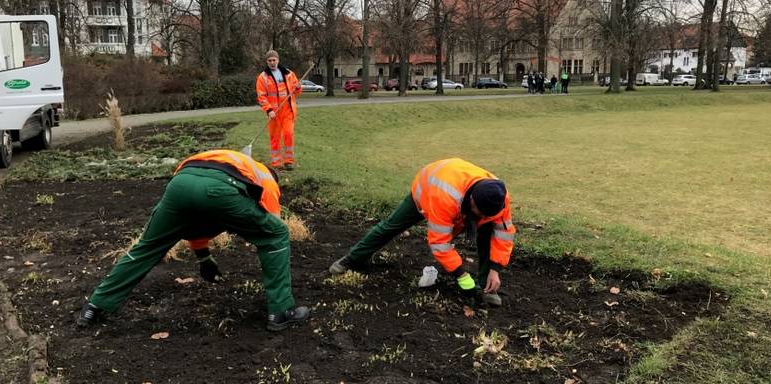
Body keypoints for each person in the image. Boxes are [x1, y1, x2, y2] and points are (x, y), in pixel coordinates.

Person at [77, 149, 311, 332]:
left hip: (179, 186)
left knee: (146, 248)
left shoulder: (231, 159)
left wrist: (204, 257)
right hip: (221, 189)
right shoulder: (267, 179)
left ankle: (96, 305)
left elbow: (197, 212)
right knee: (276, 234)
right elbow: (271, 227)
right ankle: (281, 311)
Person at [328, 158, 516, 306]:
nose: (482, 216)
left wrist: (495, 270)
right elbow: (440, 243)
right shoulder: (445, 197)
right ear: (472, 199)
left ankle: (487, 287)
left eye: (486, 214)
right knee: (391, 227)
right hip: (427, 191)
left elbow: (504, 236)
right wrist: (461, 274)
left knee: (487, 233)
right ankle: (352, 259)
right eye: (479, 212)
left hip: (456, 193)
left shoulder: (499, 198)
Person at [256, 50, 303, 171]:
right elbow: (261, 96)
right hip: (274, 113)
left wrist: (298, 88)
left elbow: (297, 92)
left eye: (274, 60)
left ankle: (289, 161)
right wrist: (269, 110)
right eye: (270, 60)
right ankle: (276, 162)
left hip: (288, 110)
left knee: (288, 134)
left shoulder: (289, 74)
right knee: (275, 137)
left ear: (278, 60)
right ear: (267, 62)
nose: (272, 62)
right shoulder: (263, 77)